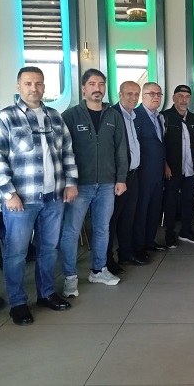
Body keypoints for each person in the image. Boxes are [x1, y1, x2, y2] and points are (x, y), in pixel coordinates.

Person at [0, 66, 78, 325]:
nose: (34, 88)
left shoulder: (54, 117)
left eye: (38, 83)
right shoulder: (4, 117)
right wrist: (9, 193)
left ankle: (46, 293)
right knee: (16, 253)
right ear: (19, 86)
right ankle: (17, 303)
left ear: (44, 87)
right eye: (28, 83)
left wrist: (71, 183)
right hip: (22, 199)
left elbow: (67, 153)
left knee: (48, 249)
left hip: (54, 196)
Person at [61, 69, 127, 297]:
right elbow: (63, 151)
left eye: (101, 84)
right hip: (79, 185)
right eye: (92, 84)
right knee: (71, 231)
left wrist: (121, 178)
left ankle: (98, 270)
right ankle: (70, 277)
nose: (97, 88)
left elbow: (121, 149)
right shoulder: (70, 116)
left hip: (107, 184)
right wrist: (68, 182)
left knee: (102, 229)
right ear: (83, 88)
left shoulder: (113, 116)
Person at [108, 81, 146, 270]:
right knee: (111, 220)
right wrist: (119, 177)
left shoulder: (133, 115)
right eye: (129, 93)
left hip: (134, 174)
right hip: (118, 178)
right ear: (120, 94)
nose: (133, 97)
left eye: (136, 94)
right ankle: (107, 261)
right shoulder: (112, 115)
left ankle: (125, 254)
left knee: (128, 217)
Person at [162, 85, 194, 248]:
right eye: (180, 96)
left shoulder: (193, 118)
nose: (184, 100)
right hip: (172, 169)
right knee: (171, 202)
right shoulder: (165, 117)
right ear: (174, 98)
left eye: (187, 97)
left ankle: (186, 231)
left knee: (188, 201)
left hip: (190, 167)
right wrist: (165, 165)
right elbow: (160, 143)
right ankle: (169, 235)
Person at [134, 82, 167, 255]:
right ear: (143, 96)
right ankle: (139, 248)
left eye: (159, 94)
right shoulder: (136, 116)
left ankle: (149, 241)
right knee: (142, 211)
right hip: (143, 173)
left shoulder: (158, 116)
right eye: (152, 94)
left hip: (158, 172)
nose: (156, 97)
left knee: (154, 210)